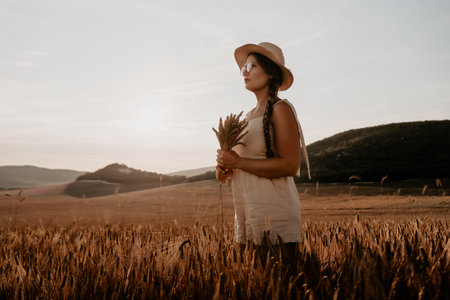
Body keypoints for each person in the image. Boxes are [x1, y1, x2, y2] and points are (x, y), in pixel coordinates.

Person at [216, 42, 311, 261]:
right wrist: (226, 168)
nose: (245, 72)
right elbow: (243, 164)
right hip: (247, 215)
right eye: (243, 67)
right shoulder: (247, 117)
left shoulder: (281, 109)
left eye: (252, 66)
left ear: (269, 72)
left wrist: (239, 163)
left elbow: (290, 165)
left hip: (275, 217)